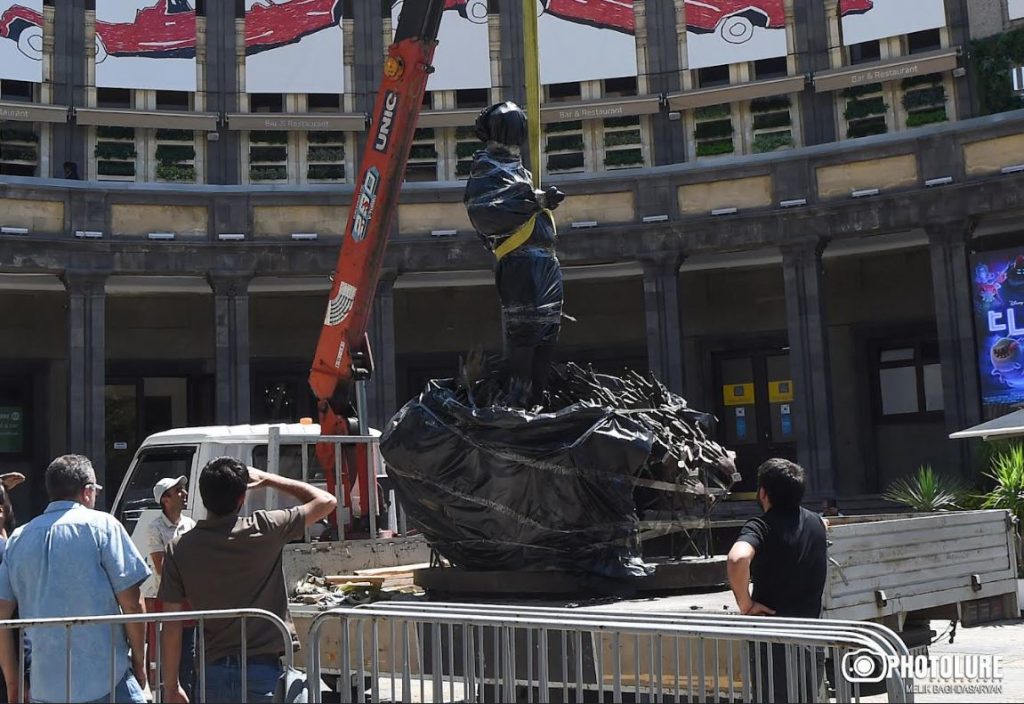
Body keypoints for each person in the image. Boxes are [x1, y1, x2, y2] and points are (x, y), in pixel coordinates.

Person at [159, 457, 337, 703]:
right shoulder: (265, 527)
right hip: (263, 671)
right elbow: (327, 501)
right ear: (241, 498)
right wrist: (269, 479)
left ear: (203, 496)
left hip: (212, 672)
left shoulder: (179, 548)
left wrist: (171, 686)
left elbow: (171, 624)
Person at [0, 455, 150, 703]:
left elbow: (2, 616)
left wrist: (14, 684)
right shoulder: (104, 526)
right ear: (87, 491)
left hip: (45, 685)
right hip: (107, 678)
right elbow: (132, 602)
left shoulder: (18, 539)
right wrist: (139, 661)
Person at [464, 100, 566, 408]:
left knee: (547, 333)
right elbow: (485, 214)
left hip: (546, 263)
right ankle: (518, 404)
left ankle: (538, 399)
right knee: (525, 333)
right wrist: (535, 201)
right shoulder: (486, 170)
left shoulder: (520, 170)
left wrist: (538, 199)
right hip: (520, 262)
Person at [727, 458, 828, 703]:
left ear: (763, 493)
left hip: (773, 640)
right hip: (811, 636)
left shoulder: (761, 526)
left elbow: (738, 559)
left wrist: (745, 604)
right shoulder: (817, 522)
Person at [146, 476, 196, 700]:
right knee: (168, 662)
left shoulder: (191, 524)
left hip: (189, 602)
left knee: (189, 658)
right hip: (167, 602)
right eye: (178, 491)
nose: (184, 493)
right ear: (165, 499)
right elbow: (161, 568)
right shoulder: (155, 528)